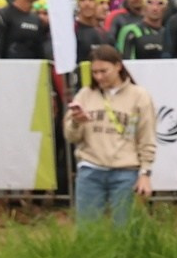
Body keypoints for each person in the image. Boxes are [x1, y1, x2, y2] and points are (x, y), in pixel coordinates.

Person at [63, 46, 156, 224]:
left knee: (125, 231)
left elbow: (146, 137)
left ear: (118, 66)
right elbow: (71, 136)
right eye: (95, 72)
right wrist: (76, 122)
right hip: (90, 170)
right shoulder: (85, 94)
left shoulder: (140, 96)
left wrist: (145, 174)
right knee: (88, 231)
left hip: (126, 172)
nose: (99, 77)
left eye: (104, 71)